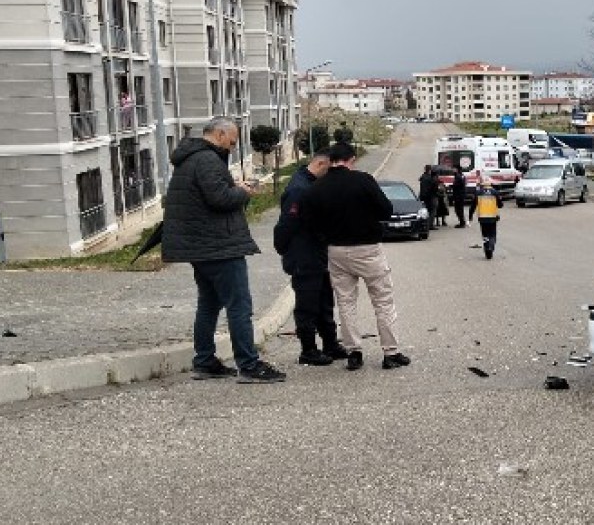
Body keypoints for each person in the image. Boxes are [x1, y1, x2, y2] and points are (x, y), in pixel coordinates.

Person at [162, 116, 285, 384]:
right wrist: (244, 192)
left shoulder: (190, 159)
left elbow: (209, 195)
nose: (231, 148)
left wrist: (233, 188)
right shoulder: (207, 160)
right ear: (219, 134)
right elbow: (219, 199)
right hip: (219, 247)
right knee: (239, 306)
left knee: (209, 304)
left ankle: (205, 361)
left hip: (201, 247)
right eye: (231, 142)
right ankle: (249, 365)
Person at [301, 142, 409, 372]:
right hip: (368, 248)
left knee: (346, 302)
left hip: (337, 250)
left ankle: (354, 352)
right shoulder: (363, 180)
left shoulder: (318, 187)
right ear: (351, 159)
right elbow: (386, 210)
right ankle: (391, 353)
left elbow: (309, 221)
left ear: (330, 160)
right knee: (382, 300)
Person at [272, 147, 349, 367]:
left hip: (318, 254)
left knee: (324, 301)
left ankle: (330, 344)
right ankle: (308, 349)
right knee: (307, 305)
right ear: (321, 164)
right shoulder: (299, 189)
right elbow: (286, 225)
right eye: (331, 168)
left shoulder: (312, 185)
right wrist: (285, 249)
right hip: (303, 256)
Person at [469, 176, 503, 260]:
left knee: (485, 234)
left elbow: (472, 206)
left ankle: (487, 247)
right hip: (492, 217)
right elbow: (500, 205)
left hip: (482, 218)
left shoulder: (478, 193)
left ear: (482, 184)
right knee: (492, 234)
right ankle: (491, 245)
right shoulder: (495, 192)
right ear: (490, 183)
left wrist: (470, 217)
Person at [418, 165, 439, 231]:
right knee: (432, 211)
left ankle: (424, 224)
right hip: (430, 196)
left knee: (425, 211)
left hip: (423, 196)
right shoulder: (430, 178)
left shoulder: (423, 177)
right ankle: (430, 225)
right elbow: (434, 188)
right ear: (429, 170)